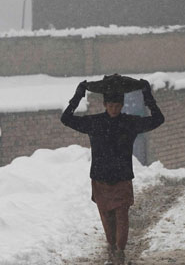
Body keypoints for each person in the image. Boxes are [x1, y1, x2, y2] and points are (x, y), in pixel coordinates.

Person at [61, 79, 164, 265]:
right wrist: (78, 94)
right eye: (110, 105)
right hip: (100, 180)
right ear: (105, 105)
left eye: (117, 105)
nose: (114, 109)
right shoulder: (94, 122)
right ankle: (112, 249)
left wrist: (147, 95)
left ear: (122, 105)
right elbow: (66, 119)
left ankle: (120, 253)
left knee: (122, 217)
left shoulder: (130, 123)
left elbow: (158, 119)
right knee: (108, 222)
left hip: (122, 179)